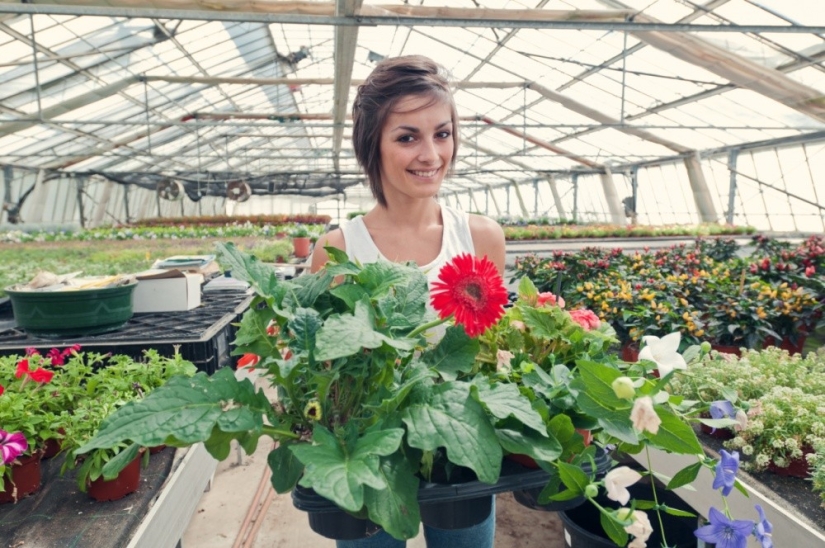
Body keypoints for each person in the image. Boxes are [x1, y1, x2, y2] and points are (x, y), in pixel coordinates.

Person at [310, 54, 505, 548]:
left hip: (458, 452)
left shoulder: (481, 237)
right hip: (371, 455)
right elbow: (325, 371)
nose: (431, 154)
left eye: (442, 133)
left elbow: (493, 348)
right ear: (371, 146)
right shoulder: (337, 249)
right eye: (407, 137)